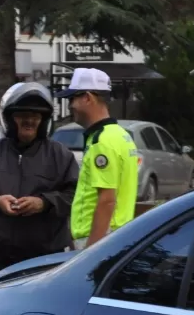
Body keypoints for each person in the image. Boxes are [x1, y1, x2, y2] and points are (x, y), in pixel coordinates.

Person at [0, 83, 79, 287]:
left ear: (44, 121)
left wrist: (44, 203)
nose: (29, 120)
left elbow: (75, 196)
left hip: (47, 261)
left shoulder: (61, 156)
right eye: (22, 115)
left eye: (36, 115)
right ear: (9, 118)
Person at [55, 68, 139, 249]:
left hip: (99, 239)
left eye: (72, 99)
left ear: (87, 98)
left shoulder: (102, 141)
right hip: (115, 235)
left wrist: (91, 251)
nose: (70, 106)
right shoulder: (121, 135)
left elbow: (107, 200)